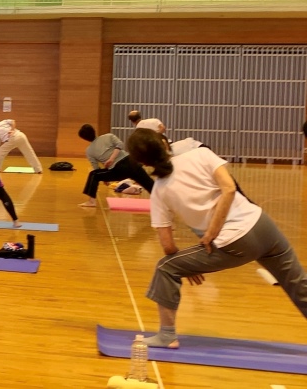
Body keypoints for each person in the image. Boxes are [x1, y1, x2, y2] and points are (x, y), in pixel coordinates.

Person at [126, 128, 307, 348]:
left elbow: (167, 245)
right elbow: (229, 188)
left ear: (142, 163)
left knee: (166, 267)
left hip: (234, 241)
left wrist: (209, 235)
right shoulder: (200, 155)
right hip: (263, 225)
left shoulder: (160, 192)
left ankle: (166, 335)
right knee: (298, 285)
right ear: (165, 143)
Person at [77, 124, 154, 207]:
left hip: (118, 169)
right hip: (131, 162)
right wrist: (111, 161)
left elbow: (96, 168)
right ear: (94, 131)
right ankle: (163, 200)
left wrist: (105, 174)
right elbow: (120, 144)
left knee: (94, 175)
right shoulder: (108, 136)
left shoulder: (89, 150)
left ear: (84, 138)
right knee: (150, 184)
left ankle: (91, 201)